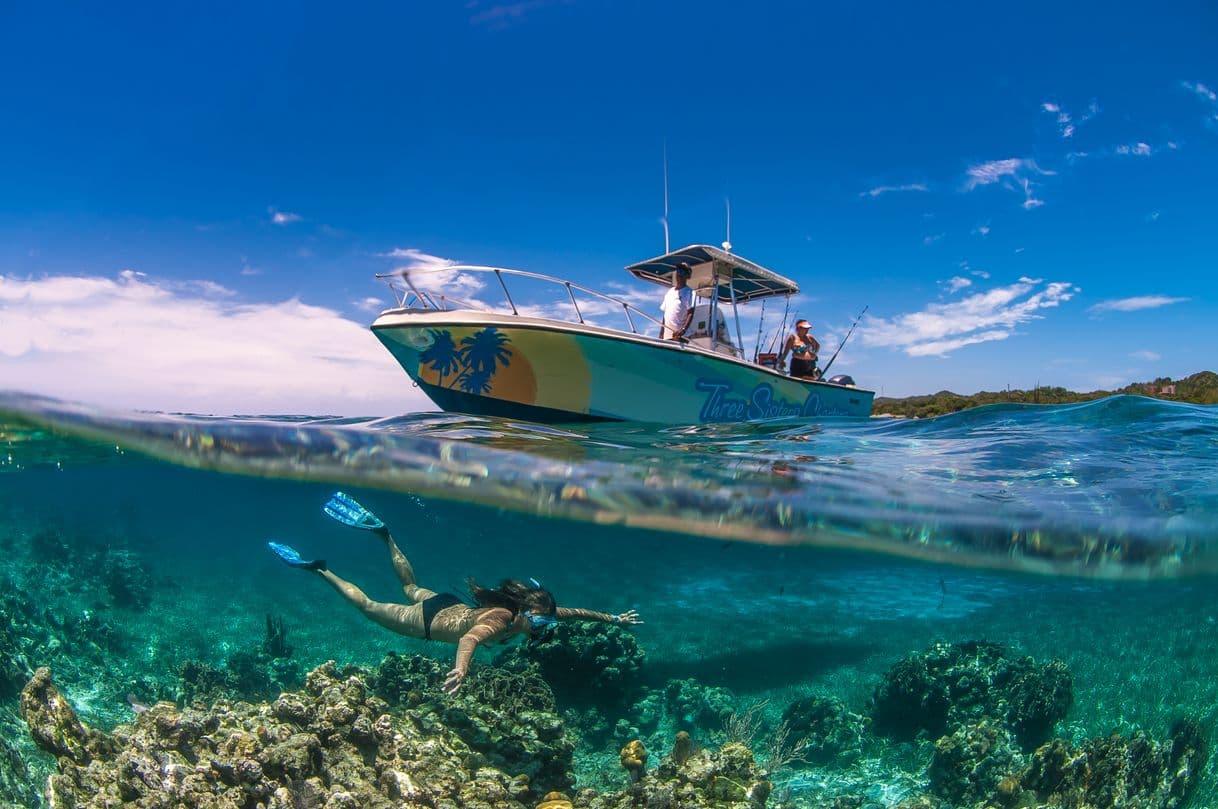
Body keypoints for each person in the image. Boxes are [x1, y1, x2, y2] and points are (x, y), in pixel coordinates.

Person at [268, 492, 642, 695]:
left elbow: (573, 613)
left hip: (447, 605)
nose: (545, 629)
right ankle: (319, 569)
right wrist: (461, 669)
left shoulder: (530, 613)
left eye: (546, 623)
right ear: (528, 614)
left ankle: (385, 534)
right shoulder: (503, 619)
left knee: (410, 586)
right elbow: (470, 638)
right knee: (367, 606)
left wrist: (613, 619)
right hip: (428, 621)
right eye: (542, 623)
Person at [659, 262, 695, 341]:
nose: (679, 274)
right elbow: (665, 315)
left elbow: (690, 313)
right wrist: (661, 334)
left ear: (687, 276)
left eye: (682, 272)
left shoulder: (690, 292)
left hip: (681, 337)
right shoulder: (669, 292)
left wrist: (683, 329)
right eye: (678, 271)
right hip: (667, 336)